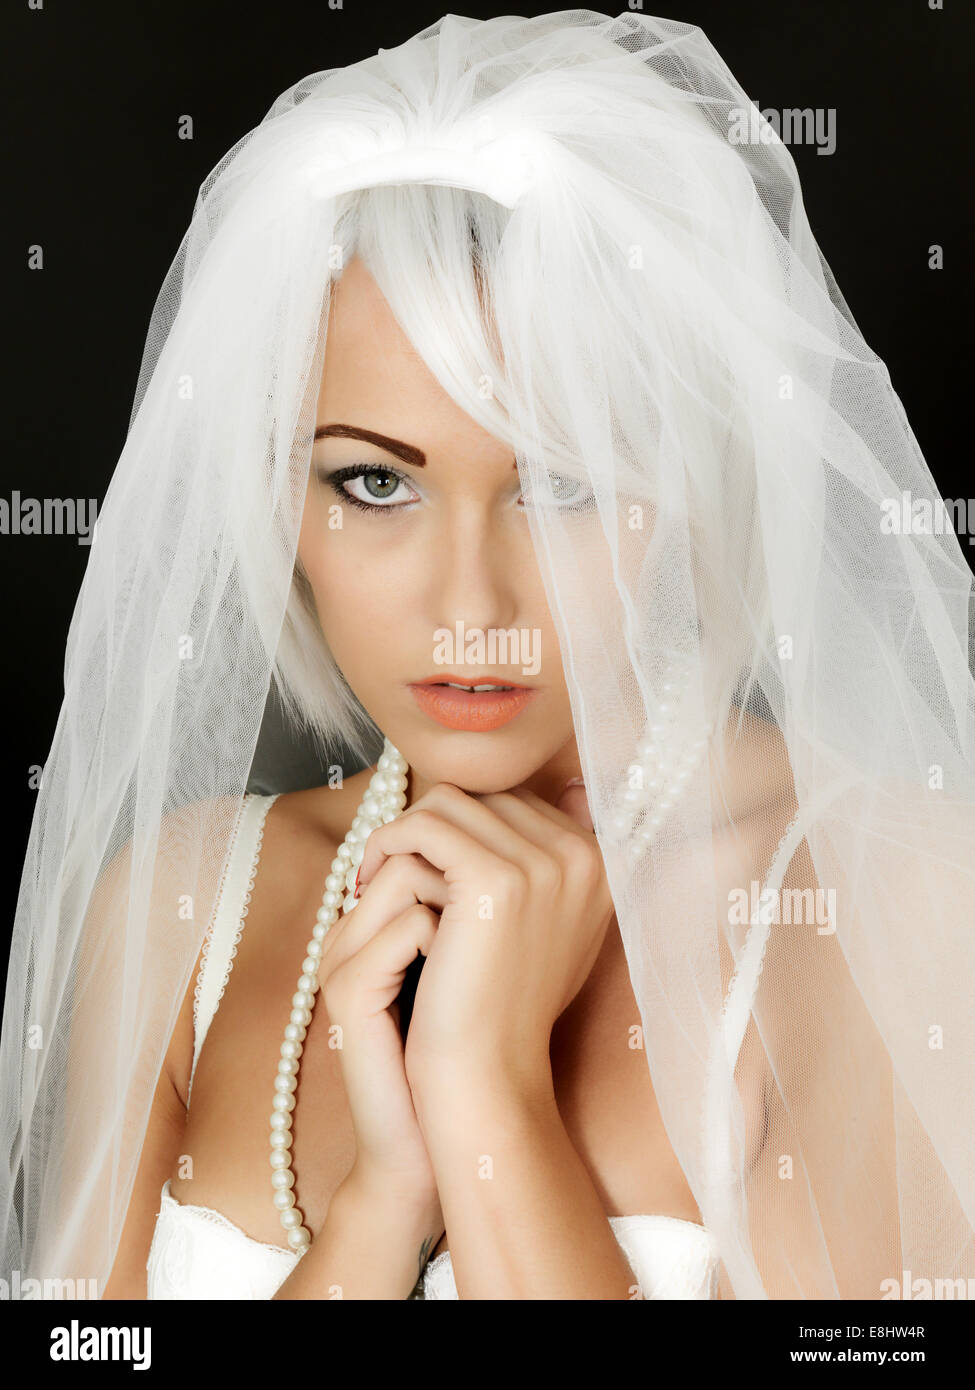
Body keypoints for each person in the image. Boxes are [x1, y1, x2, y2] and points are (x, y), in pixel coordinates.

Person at [3, 11, 973, 1301]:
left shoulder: (890, 899)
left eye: (563, 485)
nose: (472, 600)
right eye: (372, 481)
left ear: (689, 490)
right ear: (276, 501)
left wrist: (489, 1097)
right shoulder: (178, 908)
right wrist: (377, 1215)